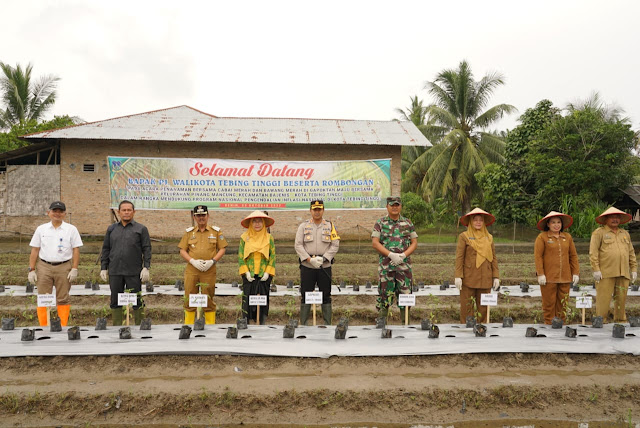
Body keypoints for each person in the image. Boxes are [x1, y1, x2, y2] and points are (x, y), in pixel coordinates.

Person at [28, 201, 83, 326]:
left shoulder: (71, 229)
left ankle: (62, 325)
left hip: (64, 267)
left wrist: (74, 268)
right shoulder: (41, 229)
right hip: (44, 266)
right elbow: (35, 249)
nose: (57, 214)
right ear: (49, 213)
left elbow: (76, 249)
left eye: (60, 211)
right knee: (43, 297)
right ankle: (44, 325)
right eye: (54, 211)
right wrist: (31, 269)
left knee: (63, 298)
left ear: (64, 214)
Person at [100, 200, 151, 326]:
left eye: (129, 210)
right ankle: (118, 326)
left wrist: (146, 267)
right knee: (115, 300)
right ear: (119, 212)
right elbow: (106, 248)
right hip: (115, 271)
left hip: (133, 272)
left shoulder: (141, 229)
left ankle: (140, 326)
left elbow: (147, 248)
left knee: (136, 300)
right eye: (124, 210)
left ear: (134, 212)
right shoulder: (111, 229)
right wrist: (103, 267)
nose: (126, 212)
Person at [178, 205, 227, 325]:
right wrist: (192, 261)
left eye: (203, 215)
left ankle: (210, 326)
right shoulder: (189, 233)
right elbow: (182, 250)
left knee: (208, 298)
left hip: (209, 270)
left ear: (208, 216)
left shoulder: (216, 232)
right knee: (190, 297)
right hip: (192, 270)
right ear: (194, 217)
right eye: (198, 215)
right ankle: (188, 326)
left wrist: (213, 261)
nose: (201, 218)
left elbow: (222, 248)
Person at [371, 196, 418, 321]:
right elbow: (375, 243)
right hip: (387, 268)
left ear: (400, 206)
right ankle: (382, 326)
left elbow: (414, 242)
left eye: (397, 205)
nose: (394, 207)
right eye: (392, 205)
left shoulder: (408, 223)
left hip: (404, 268)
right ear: (387, 207)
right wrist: (390, 254)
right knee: (384, 298)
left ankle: (406, 325)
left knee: (406, 298)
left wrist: (403, 255)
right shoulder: (380, 223)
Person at [294, 200, 340, 325]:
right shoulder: (303, 226)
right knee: (306, 295)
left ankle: (327, 324)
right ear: (310, 210)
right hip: (307, 266)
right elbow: (298, 245)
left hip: (324, 267)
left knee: (326, 295)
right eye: (315, 209)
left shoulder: (330, 226)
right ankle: (303, 324)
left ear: (323, 210)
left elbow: (335, 245)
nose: (317, 212)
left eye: (319, 209)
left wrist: (324, 259)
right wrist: (310, 260)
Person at [589, 207, 637, 323]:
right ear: (606, 219)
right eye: (612, 217)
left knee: (621, 300)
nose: (615, 219)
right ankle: (601, 322)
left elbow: (631, 252)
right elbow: (593, 252)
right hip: (605, 273)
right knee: (603, 300)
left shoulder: (624, 234)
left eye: (617, 217)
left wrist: (634, 269)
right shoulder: (599, 233)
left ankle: (620, 322)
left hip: (623, 273)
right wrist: (596, 269)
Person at [454, 208, 500, 324]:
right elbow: (459, 257)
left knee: (484, 308)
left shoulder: (489, 238)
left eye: (481, 220)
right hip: (468, 278)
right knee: (467, 308)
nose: (478, 222)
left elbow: (493, 258)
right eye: (475, 220)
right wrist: (458, 276)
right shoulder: (464, 236)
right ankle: (466, 332)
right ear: (470, 222)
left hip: (485, 277)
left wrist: (496, 276)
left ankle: (482, 330)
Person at [534, 211, 580, 324]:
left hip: (565, 276)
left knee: (563, 303)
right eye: (553, 222)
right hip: (548, 277)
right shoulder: (542, 237)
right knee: (549, 303)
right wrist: (540, 273)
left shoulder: (567, 237)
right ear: (548, 224)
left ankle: (561, 324)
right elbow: (538, 256)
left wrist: (575, 273)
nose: (556, 225)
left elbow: (573, 256)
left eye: (558, 222)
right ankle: (549, 323)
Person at [238, 211, 276, 325]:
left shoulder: (269, 238)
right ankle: (247, 323)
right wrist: (246, 272)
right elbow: (240, 257)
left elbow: (273, 256)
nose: (257, 224)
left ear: (264, 223)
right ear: (250, 223)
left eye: (260, 221)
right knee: (247, 302)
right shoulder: (244, 238)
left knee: (262, 302)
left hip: (263, 276)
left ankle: (262, 323)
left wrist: (268, 273)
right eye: (254, 221)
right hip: (249, 276)